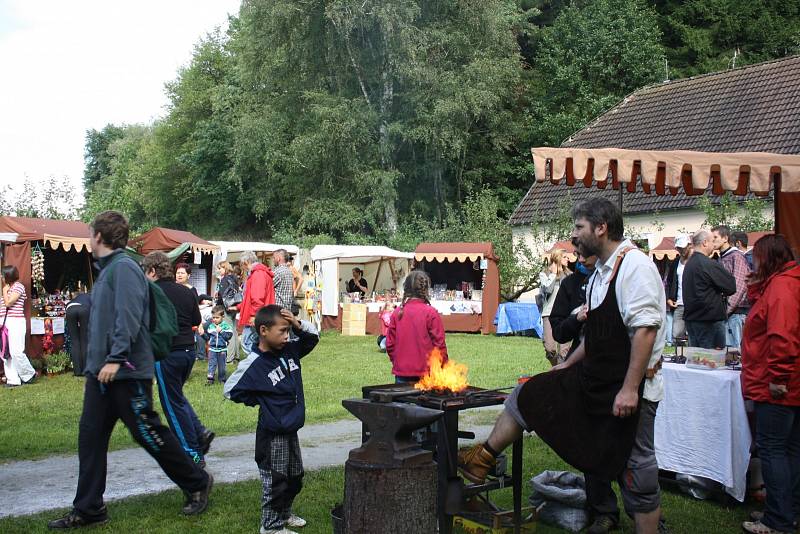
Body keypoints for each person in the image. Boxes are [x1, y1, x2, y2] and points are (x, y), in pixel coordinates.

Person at [458, 198, 667, 534]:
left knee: (636, 469)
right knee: (529, 393)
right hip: (596, 382)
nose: (574, 236)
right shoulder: (601, 271)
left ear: (601, 227)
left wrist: (629, 389)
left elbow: (645, 330)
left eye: (579, 228)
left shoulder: (635, 267)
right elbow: (598, 335)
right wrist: (566, 364)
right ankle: (481, 460)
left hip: (631, 389)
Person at [48, 211, 212, 529]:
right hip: (102, 376)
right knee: (90, 438)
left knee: (149, 434)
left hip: (126, 373)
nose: (89, 239)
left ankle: (197, 482)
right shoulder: (110, 270)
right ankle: (90, 508)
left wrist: (116, 358)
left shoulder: (123, 269)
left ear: (99, 236)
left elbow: (129, 317)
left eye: (90, 234)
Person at [224, 305, 320, 534]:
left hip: (291, 428)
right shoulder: (254, 363)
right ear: (264, 330)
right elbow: (230, 390)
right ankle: (270, 526)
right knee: (275, 480)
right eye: (283, 331)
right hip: (272, 432)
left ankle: (284, 514)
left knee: (295, 476)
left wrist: (297, 325)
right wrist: (261, 400)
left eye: (289, 331)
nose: (287, 336)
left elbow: (312, 339)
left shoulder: (289, 350)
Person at [740, 235, 800, 534]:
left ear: (768, 258)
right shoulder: (785, 282)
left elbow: (782, 335)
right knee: (790, 449)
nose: (754, 262)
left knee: (774, 449)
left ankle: (777, 519)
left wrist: (778, 377)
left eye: (757, 258)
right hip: (789, 380)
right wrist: (755, 285)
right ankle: (787, 510)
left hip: (778, 383)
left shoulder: (782, 287)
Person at [142, 252, 214, 468]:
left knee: (171, 405)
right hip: (188, 351)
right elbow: (195, 320)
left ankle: (192, 452)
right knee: (176, 397)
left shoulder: (152, 292)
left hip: (168, 353)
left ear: (153, 271)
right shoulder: (186, 291)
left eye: (145, 272)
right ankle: (199, 432)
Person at [386, 271, 448, 383]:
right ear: (425, 289)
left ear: (407, 289)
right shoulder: (430, 313)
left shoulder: (397, 313)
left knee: (401, 401)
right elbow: (439, 344)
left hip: (403, 373)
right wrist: (444, 365)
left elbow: (390, 344)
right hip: (426, 373)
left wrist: (398, 361)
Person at [682, 230, 736, 349]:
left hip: (692, 320)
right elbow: (731, 286)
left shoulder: (689, 264)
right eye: (712, 241)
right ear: (705, 243)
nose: (714, 244)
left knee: (697, 361)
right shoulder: (707, 264)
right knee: (711, 362)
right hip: (709, 321)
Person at [549, 254, 596, 359]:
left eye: (587, 252)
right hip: (581, 360)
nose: (582, 259)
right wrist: (576, 318)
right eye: (578, 254)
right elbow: (558, 333)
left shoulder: (615, 276)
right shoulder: (570, 283)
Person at [712, 225, 751, 349]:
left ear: (725, 238)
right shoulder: (721, 258)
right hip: (727, 313)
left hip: (736, 313)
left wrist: (726, 310)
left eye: (715, 237)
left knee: (735, 354)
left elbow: (739, 285)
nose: (712, 240)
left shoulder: (736, 256)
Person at [1, 265, 36, 386]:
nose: (1, 277)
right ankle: (13, 380)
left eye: (2, 275)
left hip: (16, 322)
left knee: (16, 351)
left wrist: (4, 292)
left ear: (8, 276)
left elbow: (9, 303)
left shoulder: (18, 286)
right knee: (6, 352)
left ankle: (29, 374)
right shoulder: (7, 287)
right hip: (4, 323)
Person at [539, 250, 572, 366]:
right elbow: (547, 290)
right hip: (548, 314)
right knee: (550, 349)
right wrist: (553, 274)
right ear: (557, 258)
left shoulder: (570, 275)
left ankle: (561, 374)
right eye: (565, 257)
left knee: (565, 351)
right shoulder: (545, 274)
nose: (568, 259)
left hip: (565, 315)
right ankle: (557, 367)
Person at [239, 251, 275, 355]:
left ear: (246, 262)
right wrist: (238, 307)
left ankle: (257, 367)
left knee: (247, 343)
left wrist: (254, 315)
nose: (243, 268)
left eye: (242, 265)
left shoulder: (258, 274)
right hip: (262, 313)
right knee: (257, 344)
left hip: (258, 315)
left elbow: (257, 297)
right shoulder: (260, 273)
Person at [664, 236, 693, 343]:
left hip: (694, 305)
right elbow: (669, 282)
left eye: (683, 247)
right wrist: (669, 298)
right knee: (677, 335)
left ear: (690, 245)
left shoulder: (696, 261)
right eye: (679, 248)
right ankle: (679, 358)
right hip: (679, 304)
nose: (681, 250)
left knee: (693, 335)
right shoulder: (676, 262)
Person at [216, 260, 241, 363]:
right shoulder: (234, 278)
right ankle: (236, 355)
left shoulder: (224, 280)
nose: (219, 271)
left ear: (225, 268)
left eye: (220, 268)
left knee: (229, 331)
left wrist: (217, 305)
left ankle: (229, 358)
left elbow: (222, 296)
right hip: (234, 306)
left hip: (226, 308)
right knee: (234, 331)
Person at [202, 305, 233, 386]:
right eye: (213, 317)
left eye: (217, 317)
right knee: (211, 364)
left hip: (222, 350)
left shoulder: (226, 326)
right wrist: (202, 335)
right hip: (212, 349)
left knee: (222, 365)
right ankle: (210, 379)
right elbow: (208, 338)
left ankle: (222, 379)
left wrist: (221, 331)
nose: (215, 319)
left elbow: (228, 337)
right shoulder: (211, 326)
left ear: (222, 317)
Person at [65, 290, 92, 376]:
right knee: (84, 340)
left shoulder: (77, 298)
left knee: (74, 340)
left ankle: (77, 371)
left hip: (70, 308)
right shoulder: (92, 297)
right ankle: (85, 369)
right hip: (84, 309)